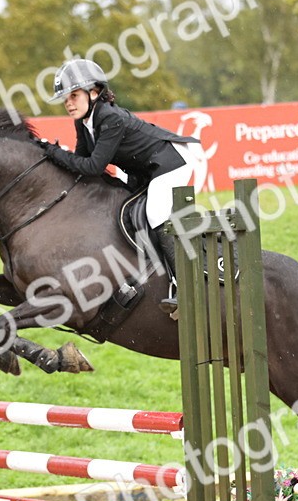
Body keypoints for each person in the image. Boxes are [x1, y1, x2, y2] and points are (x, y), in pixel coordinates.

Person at [39, 59, 204, 314]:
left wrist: (52, 151)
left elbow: (93, 166)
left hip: (171, 162)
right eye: (65, 99)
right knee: (123, 213)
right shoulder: (84, 122)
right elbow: (80, 162)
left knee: (156, 213)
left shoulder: (110, 118)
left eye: (73, 95)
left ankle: (186, 286)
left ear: (94, 92)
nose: (68, 103)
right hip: (142, 170)